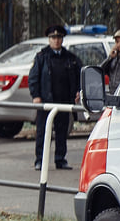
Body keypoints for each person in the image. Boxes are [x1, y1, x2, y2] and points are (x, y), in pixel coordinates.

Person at [28, 24, 82, 171]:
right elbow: (33, 78)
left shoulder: (70, 58)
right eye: (53, 38)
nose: (56, 40)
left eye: (58, 37)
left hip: (63, 101)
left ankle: (60, 159)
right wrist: (36, 96)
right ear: (49, 39)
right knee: (42, 132)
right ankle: (40, 160)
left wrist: (78, 91)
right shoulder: (42, 57)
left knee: (62, 132)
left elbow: (79, 77)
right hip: (46, 101)